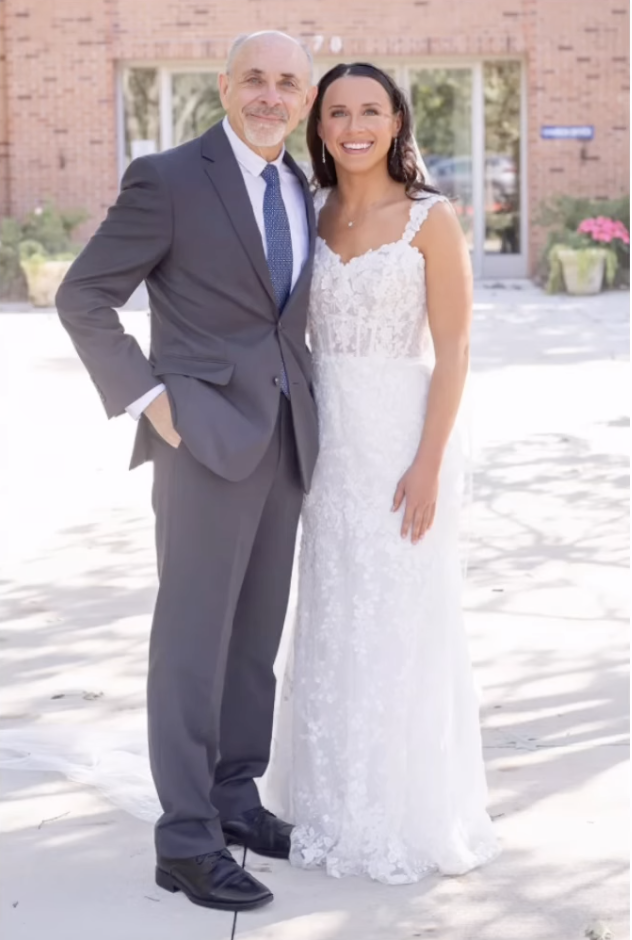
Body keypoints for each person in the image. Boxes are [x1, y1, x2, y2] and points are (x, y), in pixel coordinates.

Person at [55, 31, 318, 912]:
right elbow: (83, 295)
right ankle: (186, 838)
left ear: (304, 95)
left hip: (286, 438)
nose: (270, 95)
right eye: (255, 79)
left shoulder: (299, 184)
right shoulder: (167, 178)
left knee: (253, 641)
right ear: (224, 85)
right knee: (192, 643)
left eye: (287, 82)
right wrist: (150, 402)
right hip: (201, 438)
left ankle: (237, 800)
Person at [264, 63, 501, 884]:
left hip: (402, 441)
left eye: (371, 109)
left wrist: (430, 461)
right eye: (338, 112)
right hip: (323, 445)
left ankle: (405, 807)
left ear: (397, 120)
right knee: (333, 612)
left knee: (402, 618)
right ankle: (328, 801)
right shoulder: (305, 209)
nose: (354, 124)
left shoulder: (431, 219)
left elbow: (456, 348)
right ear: (319, 127)